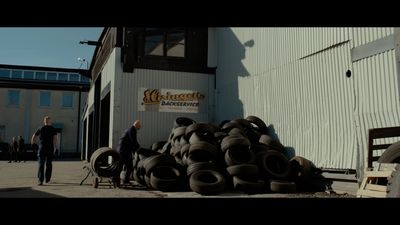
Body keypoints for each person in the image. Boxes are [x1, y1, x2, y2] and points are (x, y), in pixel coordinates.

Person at [31, 116, 58, 186]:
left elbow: (34, 136)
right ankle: (47, 179)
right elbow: (55, 138)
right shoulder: (53, 129)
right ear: (50, 121)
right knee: (49, 164)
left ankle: (40, 180)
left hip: (41, 148)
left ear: (44, 121)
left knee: (41, 164)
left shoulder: (40, 128)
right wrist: (55, 147)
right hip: (50, 149)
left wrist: (33, 144)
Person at [117, 120, 141, 185]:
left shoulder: (130, 129)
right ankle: (124, 181)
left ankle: (119, 180)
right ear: (136, 125)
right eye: (139, 125)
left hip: (123, 150)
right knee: (129, 166)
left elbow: (130, 143)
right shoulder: (132, 130)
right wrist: (139, 148)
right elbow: (133, 141)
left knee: (122, 166)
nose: (140, 127)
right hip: (124, 151)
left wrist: (134, 151)